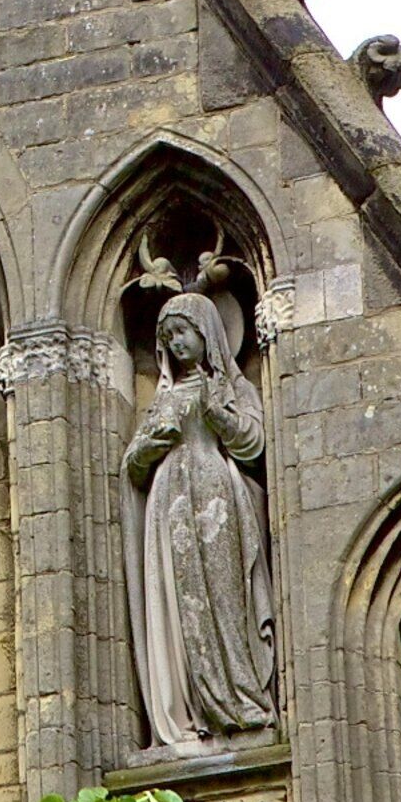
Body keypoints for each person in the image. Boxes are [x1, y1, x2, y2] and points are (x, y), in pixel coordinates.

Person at [122, 289, 278, 746]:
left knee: (226, 600)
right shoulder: (164, 397)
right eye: (167, 336)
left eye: (183, 333)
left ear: (206, 333)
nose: (176, 344)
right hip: (170, 501)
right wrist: (151, 446)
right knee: (184, 605)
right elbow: (133, 461)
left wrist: (220, 416)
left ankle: (242, 698)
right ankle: (197, 706)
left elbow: (254, 442)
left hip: (216, 497)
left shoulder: (232, 388)